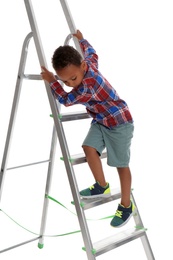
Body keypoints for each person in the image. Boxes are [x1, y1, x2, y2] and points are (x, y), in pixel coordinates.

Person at [41, 30, 136, 228]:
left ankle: (126, 205)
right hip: (101, 120)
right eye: (64, 81)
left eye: (72, 79)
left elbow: (66, 100)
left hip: (119, 123)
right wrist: (82, 40)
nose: (70, 84)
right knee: (88, 147)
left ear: (82, 67)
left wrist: (52, 82)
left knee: (121, 164)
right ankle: (102, 185)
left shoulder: (85, 88)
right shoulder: (89, 64)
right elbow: (92, 53)